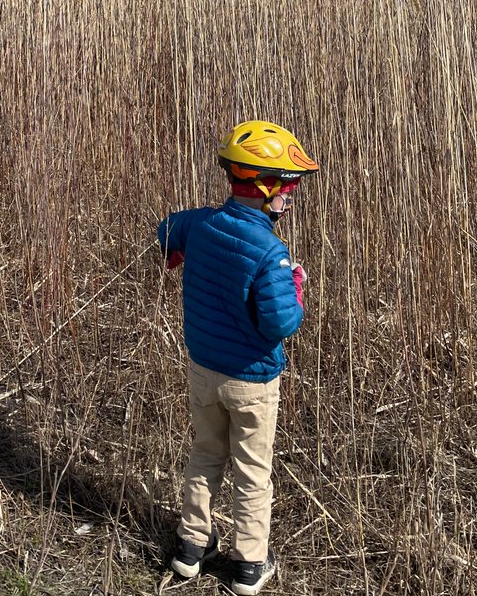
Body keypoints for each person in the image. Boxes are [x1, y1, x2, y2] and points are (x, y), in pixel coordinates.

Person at [157, 120, 318, 596]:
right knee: (252, 473)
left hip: (204, 372)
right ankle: (249, 565)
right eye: (288, 186)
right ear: (264, 186)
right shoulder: (272, 252)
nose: (291, 195)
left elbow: (166, 231)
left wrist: (179, 252)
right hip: (252, 383)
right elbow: (280, 323)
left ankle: (191, 550)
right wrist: (296, 286)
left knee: (205, 456)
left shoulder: (200, 223)